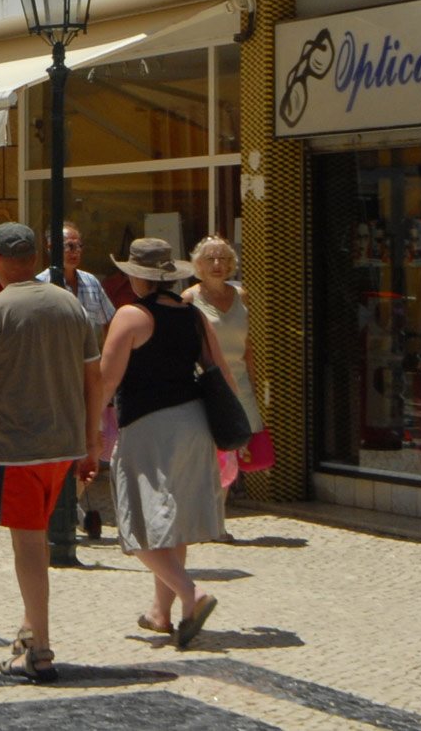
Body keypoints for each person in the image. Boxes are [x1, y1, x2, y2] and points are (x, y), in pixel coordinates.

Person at [0, 222, 102, 683]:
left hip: (17, 449)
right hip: (64, 446)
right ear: (34, 257)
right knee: (38, 538)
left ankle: (40, 650)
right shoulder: (70, 305)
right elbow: (94, 378)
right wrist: (92, 440)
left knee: (27, 545)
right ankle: (30, 631)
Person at [98, 238, 230, 649]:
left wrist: (88, 428)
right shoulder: (194, 315)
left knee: (137, 523)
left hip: (148, 427)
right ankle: (161, 612)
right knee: (171, 521)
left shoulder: (130, 316)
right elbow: (221, 372)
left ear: (137, 277)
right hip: (194, 423)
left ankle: (193, 594)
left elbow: (106, 381)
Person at [36, 221, 117, 561]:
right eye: (68, 245)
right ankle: (60, 512)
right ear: (51, 248)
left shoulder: (91, 283)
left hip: (88, 378)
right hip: (53, 381)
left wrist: (108, 363)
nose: (74, 251)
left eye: (78, 245)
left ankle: (67, 505)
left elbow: (110, 322)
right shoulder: (40, 285)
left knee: (92, 444)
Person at [183, 235, 266, 496]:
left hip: (240, 383)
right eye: (210, 258)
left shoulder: (242, 295)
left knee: (239, 445)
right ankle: (214, 506)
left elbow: (248, 346)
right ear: (199, 264)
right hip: (210, 385)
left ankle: (222, 502)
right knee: (214, 449)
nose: (217, 264)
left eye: (223, 258)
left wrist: (254, 386)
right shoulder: (189, 298)